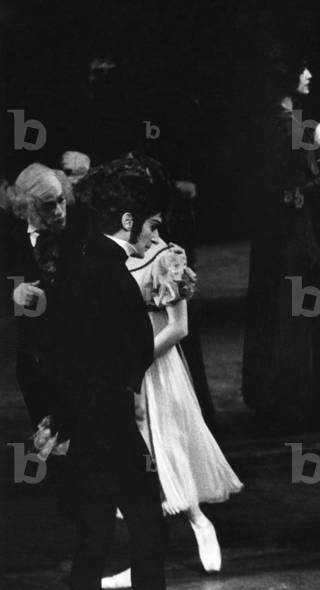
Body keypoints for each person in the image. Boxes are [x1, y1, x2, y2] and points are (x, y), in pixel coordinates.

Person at [51, 155, 170, 590]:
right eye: (152, 226)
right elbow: (133, 347)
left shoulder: (82, 260)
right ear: (127, 220)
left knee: (95, 527)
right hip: (110, 419)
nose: (155, 236)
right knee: (147, 520)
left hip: (88, 419)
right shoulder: (111, 272)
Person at [101, 230, 242, 588]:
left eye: (156, 222)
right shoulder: (105, 253)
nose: (155, 231)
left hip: (157, 366)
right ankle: (142, 562)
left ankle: (198, 519)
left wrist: (138, 359)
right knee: (137, 461)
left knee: (169, 445)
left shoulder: (166, 257)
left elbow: (179, 327)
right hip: (120, 365)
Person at [242, 50, 320, 428]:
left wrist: (318, 155)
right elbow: (299, 181)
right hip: (294, 233)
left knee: (282, 305)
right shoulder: (290, 125)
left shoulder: (279, 122)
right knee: (300, 306)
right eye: (302, 68)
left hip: (279, 230)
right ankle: (299, 398)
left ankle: (279, 394)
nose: (309, 73)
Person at [5, 164, 82, 426]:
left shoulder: (81, 233)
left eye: (61, 200)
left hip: (81, 354)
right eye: (49, 205)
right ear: (27, 207)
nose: (60, 212)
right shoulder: (10, 239)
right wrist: (15, 290)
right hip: (35, 357)